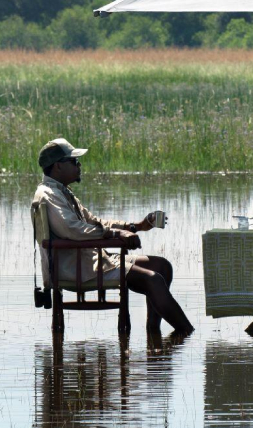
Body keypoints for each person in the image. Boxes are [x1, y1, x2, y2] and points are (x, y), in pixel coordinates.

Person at [32, 138, 195, 336]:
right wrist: (115, 234)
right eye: (74, 161)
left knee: (162, 266)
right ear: (58, 166)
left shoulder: (62, 192)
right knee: (153, 280)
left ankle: (154, 334)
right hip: (78, 269)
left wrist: (136, 226)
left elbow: (93, 222)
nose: (79, 165)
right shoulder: (49, 195)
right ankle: (186, 333)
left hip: (89, 262)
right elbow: (73, 230)